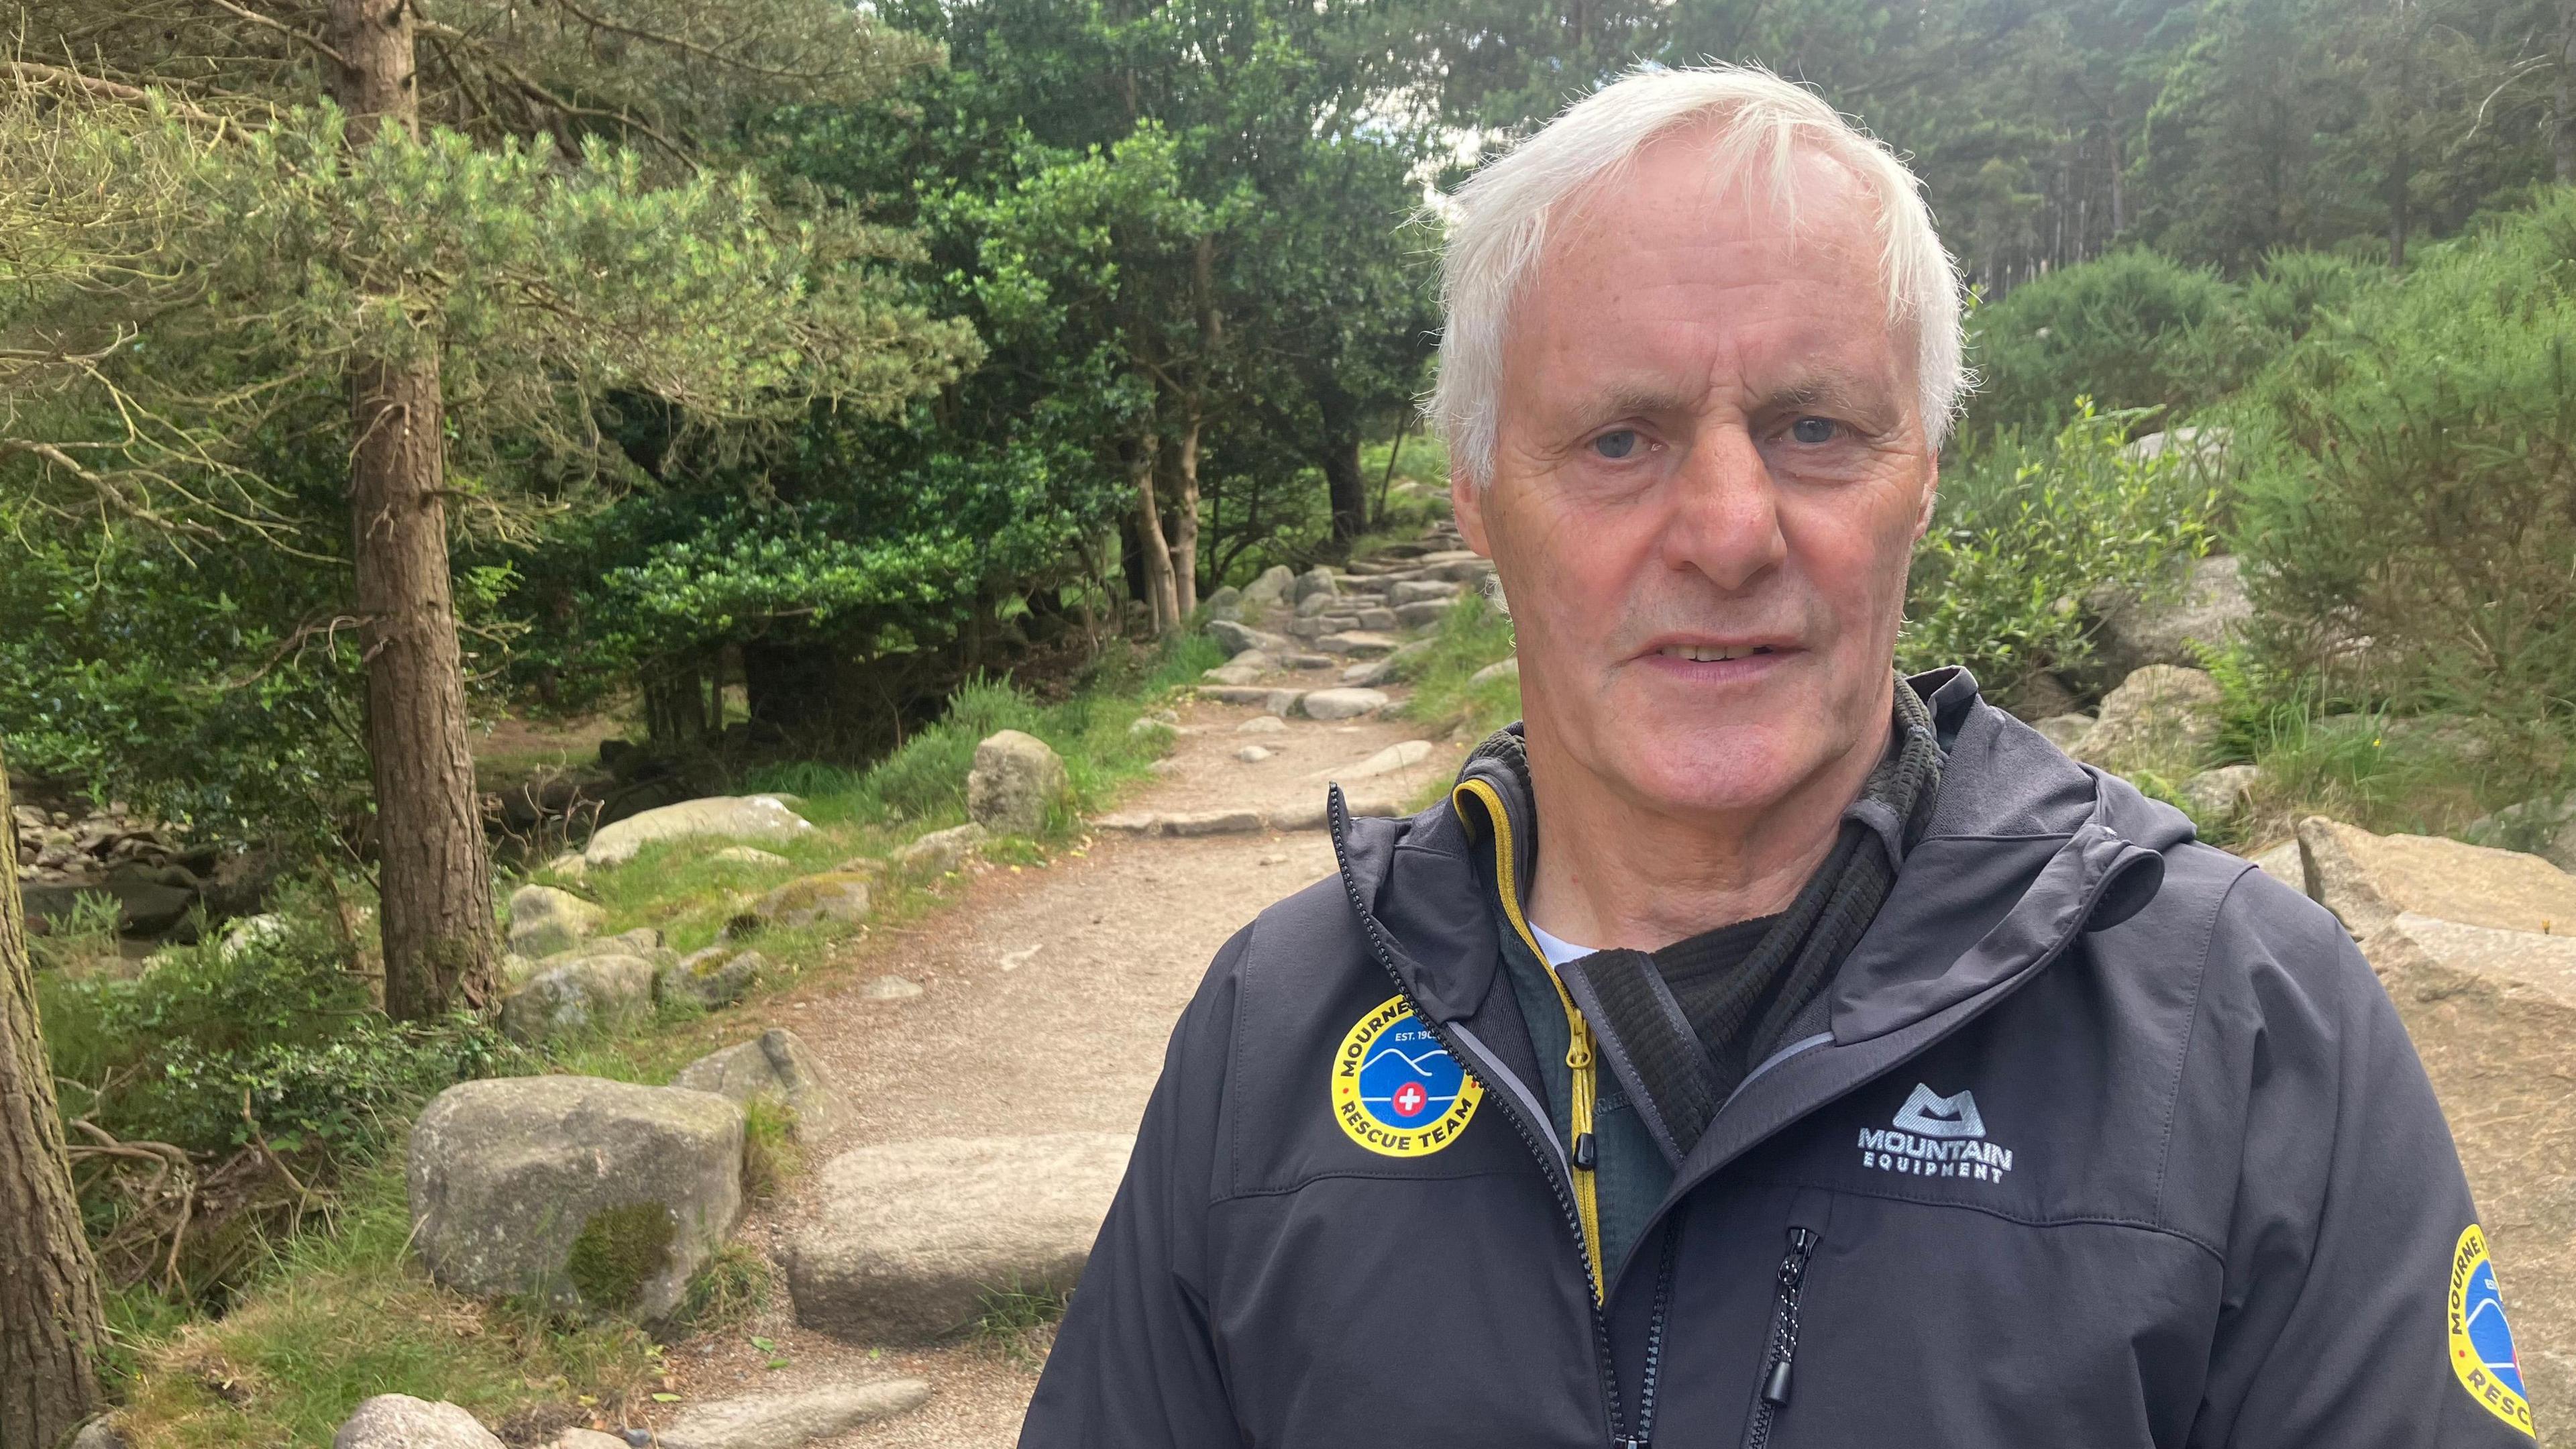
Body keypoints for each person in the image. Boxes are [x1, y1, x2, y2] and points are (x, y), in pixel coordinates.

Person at [1018, 64, 2537, 1448]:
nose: (1733, 532)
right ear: (1479, 500)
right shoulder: (1268, 1034)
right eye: (1621, 438)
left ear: (1923, 477)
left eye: (1815, 429)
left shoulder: (2249, 1026)